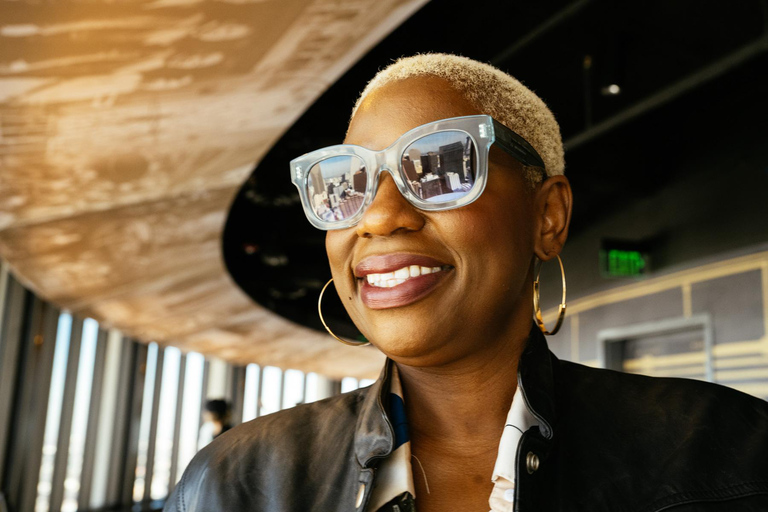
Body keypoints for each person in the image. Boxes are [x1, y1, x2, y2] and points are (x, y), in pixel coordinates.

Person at [166, 54, 768, 512]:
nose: (377, 216)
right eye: (347, 182)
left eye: (441, 167)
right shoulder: (234, 481)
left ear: (548, 217)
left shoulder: (729, 454)